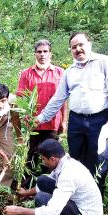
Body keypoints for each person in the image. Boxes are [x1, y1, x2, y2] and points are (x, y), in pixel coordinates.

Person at [36, 32, 108, 195]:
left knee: (99, 158)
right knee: (76, 158)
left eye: (81, 45)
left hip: (100, 120)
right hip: (76, 121)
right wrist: (41, 118)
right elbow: (58, 98)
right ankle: (77, 194)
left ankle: (96, 196)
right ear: (70, 50)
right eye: (73, 47)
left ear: (89, 44)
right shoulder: (69, 71)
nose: (78, 49)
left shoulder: (104, 63)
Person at [4, 139, 103, 215]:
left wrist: (18, 210)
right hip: (78, 204)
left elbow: (51, 213)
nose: (43, 162)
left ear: (52, 159)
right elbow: (44, 184)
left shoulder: (68, 175)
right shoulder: (64, 162)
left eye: (43, 159)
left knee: (41, 198)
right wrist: (26, 193)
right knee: (42, 180)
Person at [17, 39, 68, 187]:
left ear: (50, 54)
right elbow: (21, 98)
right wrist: (25, 120)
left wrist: (64, 121)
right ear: (35, 54)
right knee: (30, 157)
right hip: (32, 124)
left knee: (51, 158)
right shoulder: (27, 74)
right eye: (39, 52)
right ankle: (26, 188)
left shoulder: (60, 72)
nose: (42, 54)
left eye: (45, 51)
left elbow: (64, 99)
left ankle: (47, 187)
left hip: (53, 123)